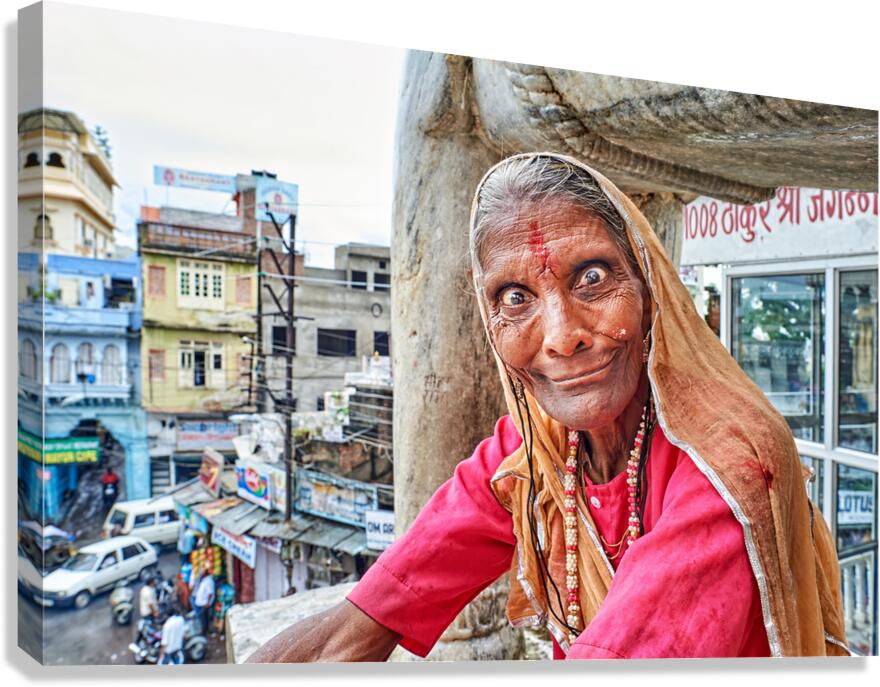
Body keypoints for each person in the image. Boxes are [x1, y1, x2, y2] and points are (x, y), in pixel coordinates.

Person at [247, 153, 847, 662]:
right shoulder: (538, 446)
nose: (561, 336)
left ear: (649, 290)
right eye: (516, 297)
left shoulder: (728, 466)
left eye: (591, 278)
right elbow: (358, 627)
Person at [191, 565, 215, 636]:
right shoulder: (204, 580)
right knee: (203, 619)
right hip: (201, 603)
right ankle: (205, 631)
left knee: (204, 619)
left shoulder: (209, 581)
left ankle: (205, 631)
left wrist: (207, 603)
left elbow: (210, 593)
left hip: (204, 604)